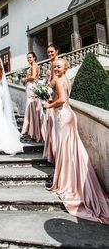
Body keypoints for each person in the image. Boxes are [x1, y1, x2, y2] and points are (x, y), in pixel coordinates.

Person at [44, 59, 109, 224]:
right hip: (69, 115)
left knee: (65, 148)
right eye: (54, 66)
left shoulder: (59, 79)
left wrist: (49, 104)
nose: (56, 68)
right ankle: (70, 176)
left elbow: (62, 99)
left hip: (62, 116)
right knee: (71, 148)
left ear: (65, 67)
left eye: (59, 66)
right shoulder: (66, 79)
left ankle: (66, 181)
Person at [42, 43, 59, 163]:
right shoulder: (53, 63)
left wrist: (47, 88)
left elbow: (56, 79)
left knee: (53, 123)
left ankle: (54, 151)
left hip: (55, 94)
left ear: (57, 51)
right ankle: (53, 151)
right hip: (52, 93)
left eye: (52, 52)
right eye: (48, 52)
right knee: (52, 123)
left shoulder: (57, 63)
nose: (50, 54)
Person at [21, 52, 43, 142]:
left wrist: (25, 79)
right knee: (31, 108)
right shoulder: (32, 66)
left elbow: (33, 77)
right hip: (30, 87)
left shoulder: (34, 65)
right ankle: (32, 130)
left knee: (31, 108)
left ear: (34, 57)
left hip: (32, 88)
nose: (29, 59)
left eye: (30, 57)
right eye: (28, 58)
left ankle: (30, 130)